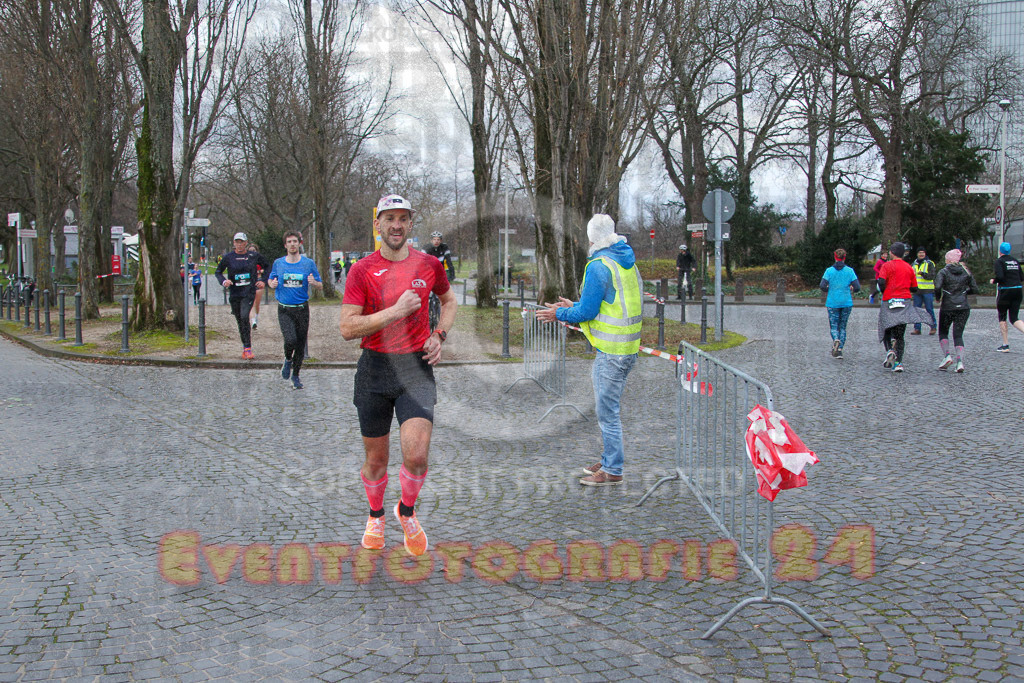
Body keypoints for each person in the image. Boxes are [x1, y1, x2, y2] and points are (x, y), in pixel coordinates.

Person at [339, 195, 457, 556]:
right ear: (378, 224)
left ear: (410, 224)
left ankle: (406, 511)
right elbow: (347, 327)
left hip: (416, 369)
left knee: (417, 454)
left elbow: (449, 301)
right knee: (376, 460)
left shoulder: (429, 264)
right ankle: (375, 515)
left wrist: (439, 336)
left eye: (403, 219)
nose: (396, 225)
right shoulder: (361, 270)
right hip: (374, 369)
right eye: (389, 218)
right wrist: (394, 311)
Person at [536, 214, 642, 486]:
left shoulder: (598, 265)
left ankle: (613, 470)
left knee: (607, 412)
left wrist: (560, 313)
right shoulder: (626, 261)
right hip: (628, 348)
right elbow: (610, 304)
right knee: (609, 409)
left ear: (591, 238)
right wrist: (574, 306)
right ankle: (609, 458)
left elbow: (587, 310)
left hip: (611, 351)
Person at [268, 231, 323, 389]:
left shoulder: (308, 263)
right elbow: (271, 278)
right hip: (285, 309)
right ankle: (287, 359)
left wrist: (314, 283)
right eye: (289, 242)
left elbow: (320, 284)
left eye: (295, 241)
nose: (292, 244)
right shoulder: (278, 263)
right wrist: (271, 283)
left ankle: (296, 376)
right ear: (285, 245)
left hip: (302, 309)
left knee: (300, 344)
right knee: (290, 339)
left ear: (299, 243)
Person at [876, 242, 932, 372]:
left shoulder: (886, 266)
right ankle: (898, 363)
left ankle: (890, 350)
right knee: (900, 334)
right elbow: (914, 287)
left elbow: (882, 282)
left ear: (892, 252)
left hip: (889, 300)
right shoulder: (909, 267)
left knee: (886, 328)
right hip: (904, 301)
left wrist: (885, 290)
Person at [215, 232, 270, 359]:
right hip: (235, 293)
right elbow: (218, 272)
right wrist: (224, 281)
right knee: (240, 320)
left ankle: (248, 348)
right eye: (237, 242)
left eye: (242, 242)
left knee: (245, 316)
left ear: (246, 243)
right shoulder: (229, 257)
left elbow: (267, 266)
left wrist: (263, 280)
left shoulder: (253, 256)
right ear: (234, 243)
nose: (239, 245)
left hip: (249, 292)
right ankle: (245, 347)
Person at [933, 249, 978, 373]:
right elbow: (975, 288)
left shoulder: (943, 272)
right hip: (963, 307)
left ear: (948, 260)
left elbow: (937, 286)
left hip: (948, 306)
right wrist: (963, 293)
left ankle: (947, 356)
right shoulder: (965, 271)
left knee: (943, 331)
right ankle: (960, 362)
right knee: (958, 335)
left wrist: (938, 298)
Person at [819, 248, 860, 359]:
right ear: (844, 257)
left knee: (834, 325)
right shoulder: (850, 271)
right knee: (842, 326)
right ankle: (840, 348)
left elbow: (822, 285)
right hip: (846, 302)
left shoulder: (829, 271)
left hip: (833, 302)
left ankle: (835, 338)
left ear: (835, 256)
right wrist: (850, 289)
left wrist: (830, 289)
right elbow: (857, 287)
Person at [992, 242, 1024, 352]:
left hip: (1005, 291)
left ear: (1000, 251)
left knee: (1002, 316)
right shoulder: (1015, 261)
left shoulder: (999, 261)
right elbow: (1021, 277)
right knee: (1014, 318)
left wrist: (994, 280)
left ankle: (1005, 345)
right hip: (1018, 290)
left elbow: (1000, 276)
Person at [910, 247, 937, 335]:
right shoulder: (914, 264)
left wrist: (923, 274)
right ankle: (917, 328)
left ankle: (933, 327)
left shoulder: (929, 263)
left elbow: (932, 276)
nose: (921, 254)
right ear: (917, 254)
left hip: (927, 290)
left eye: (923, 253)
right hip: (917, 291)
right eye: (919, 253)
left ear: (925, 254)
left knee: (929, 310)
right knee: (916, 310)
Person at [248, 244, 264, 330]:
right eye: (250, 250)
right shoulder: (246, 260)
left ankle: (256, 317)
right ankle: (253, 321)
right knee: (252, 303)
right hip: (250, 282)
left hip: (258, 281)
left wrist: (260, 271)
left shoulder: (260, 259)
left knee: (257, 304)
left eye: (253, 250)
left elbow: (265, 268)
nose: (252, 252)